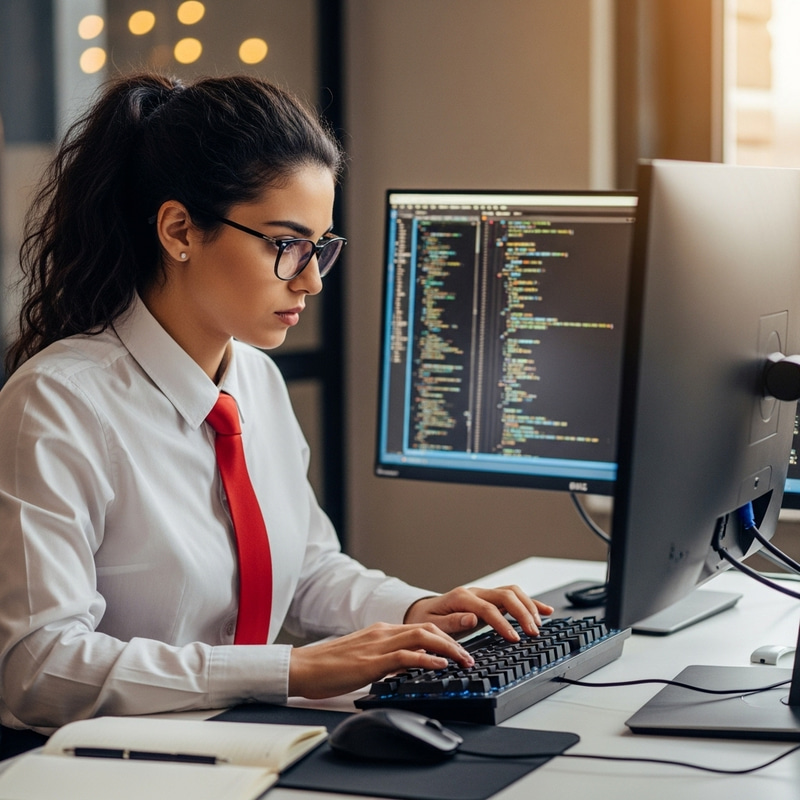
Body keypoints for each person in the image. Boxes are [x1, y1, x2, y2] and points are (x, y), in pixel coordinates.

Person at [0, 72, 552, 737]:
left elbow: (308, 567)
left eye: (320, 247)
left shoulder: (256, 380)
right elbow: (38, 667)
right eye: (286, 245)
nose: (312, 279)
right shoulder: (56, 404)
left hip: (240, 741)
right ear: (179, 229)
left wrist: (418, 611)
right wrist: (286, 670)